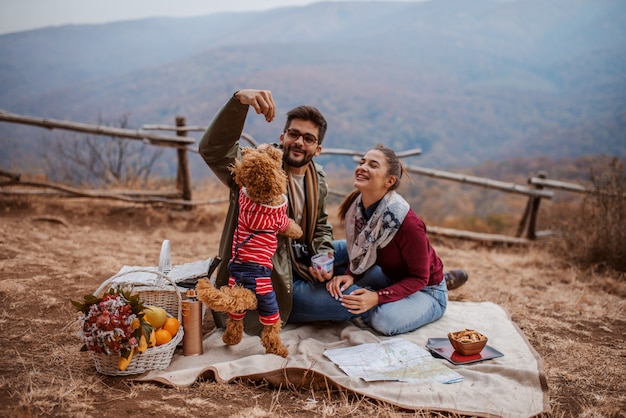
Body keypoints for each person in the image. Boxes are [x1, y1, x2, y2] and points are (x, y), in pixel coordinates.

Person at [289, 144, 468, 335]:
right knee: (333, 252)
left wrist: (376, 297)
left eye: (373, 165)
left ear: (389, 181)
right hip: (387, 274)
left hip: (426, 289)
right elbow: (361, 249)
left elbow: (419, 277)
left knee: (384, 320)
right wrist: (351, 274)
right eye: (362, 162)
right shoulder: (358, 208)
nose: (363, 167)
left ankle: (437, 290)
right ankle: (378, 297)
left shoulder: (407, 223)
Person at [198, 89, 335, 334]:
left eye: (308, 138)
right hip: (273, 279)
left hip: (302, 260)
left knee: (366, 263)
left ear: (318, 148)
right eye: (294, 134)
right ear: (283, 137)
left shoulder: (318, 178)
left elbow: (321, 225)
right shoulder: (257, 171)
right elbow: (213, 150)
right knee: (348, 304)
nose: (299, 142)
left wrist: (323, 254)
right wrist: (239, 101)